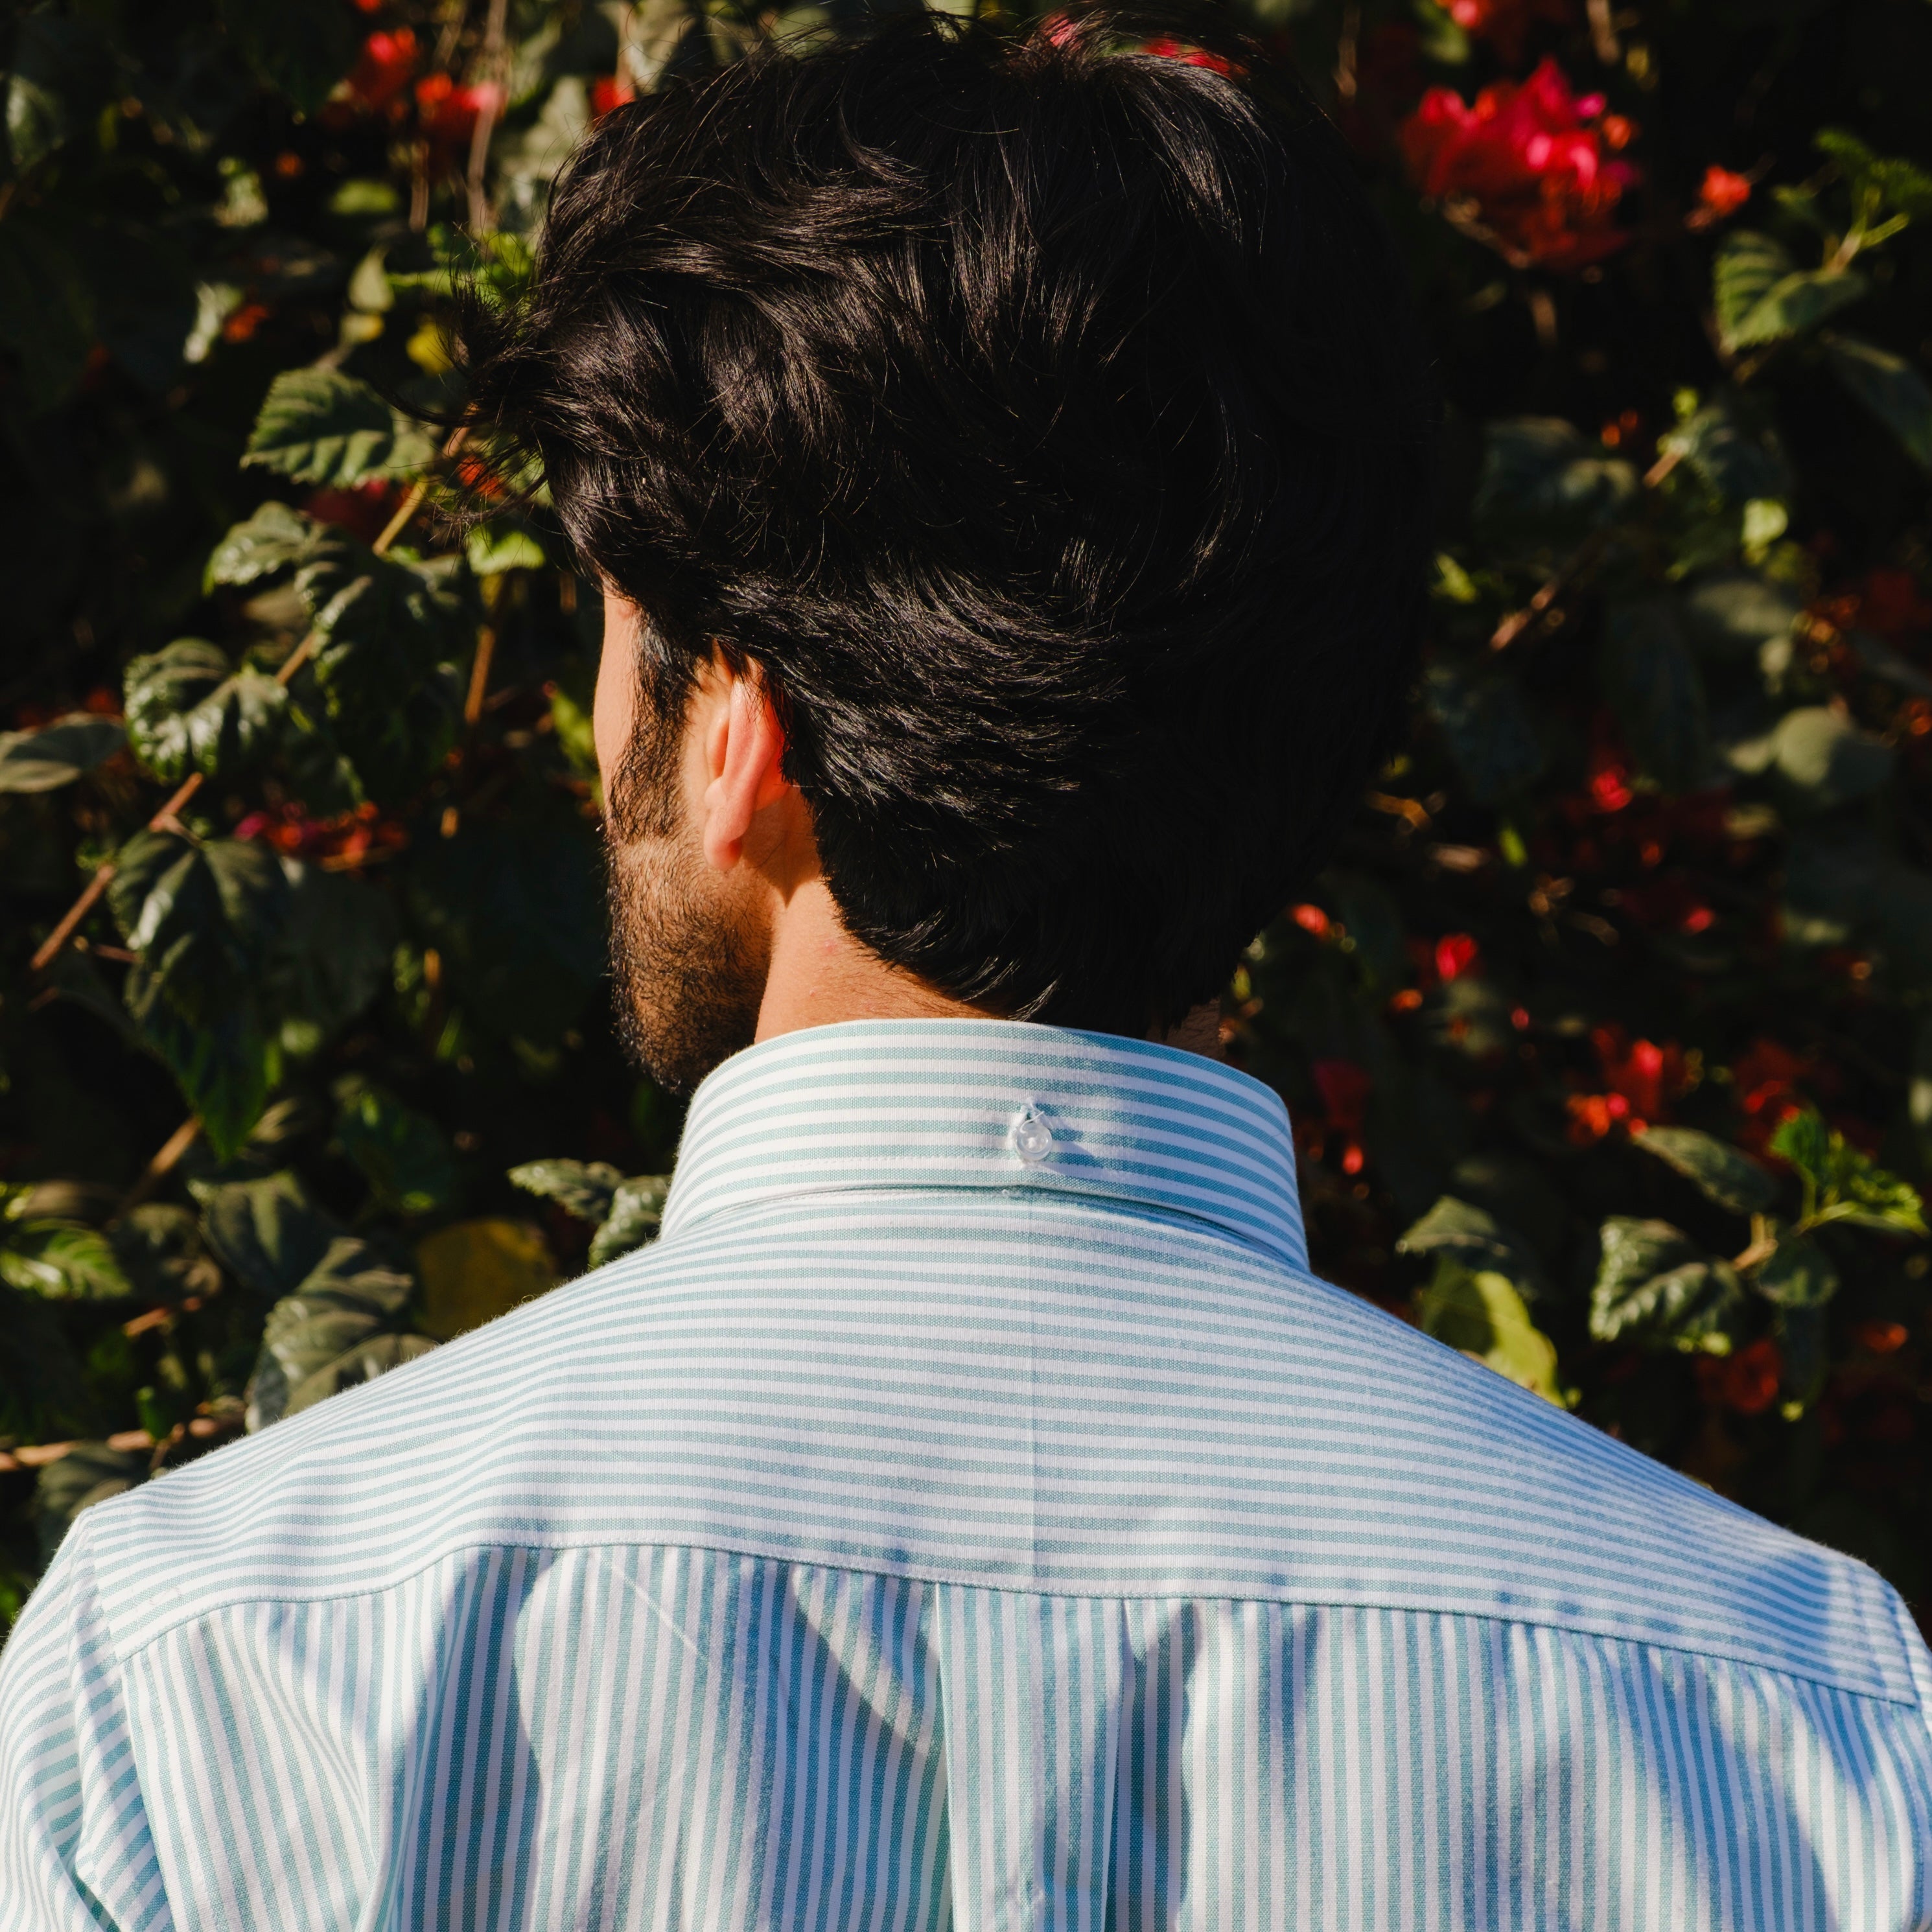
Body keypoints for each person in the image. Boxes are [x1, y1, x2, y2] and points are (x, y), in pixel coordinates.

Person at [5, 8, 1929, 1926]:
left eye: (609, 637)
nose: (588, 736)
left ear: (736, 720)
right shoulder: (1812, 1726)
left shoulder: (210, 1666)